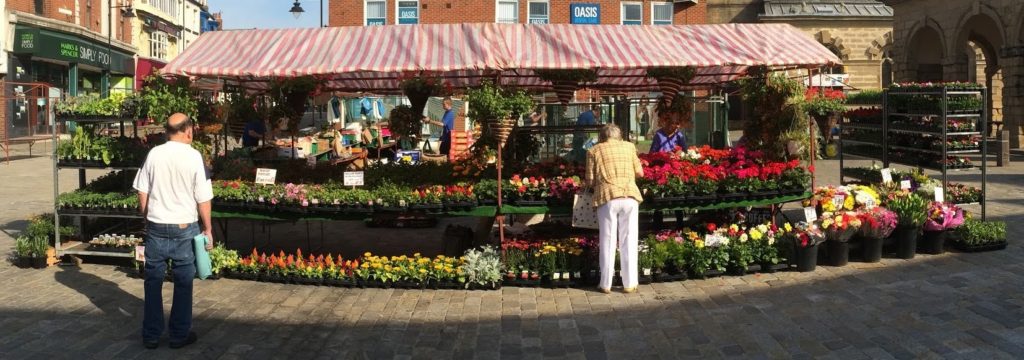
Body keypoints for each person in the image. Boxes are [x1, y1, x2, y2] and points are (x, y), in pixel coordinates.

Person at [133, 113, 213, 350]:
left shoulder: (154, 154)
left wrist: (147, 216)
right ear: (188, 130)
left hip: (156, 227)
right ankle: (179, 335)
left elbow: (141, 190)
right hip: (183, 227)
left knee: (153, 281)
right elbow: (203, 198)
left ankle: (151, 335)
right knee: (183, 282)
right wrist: (208, 228)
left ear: (167, 131)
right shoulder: (194, 156)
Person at [584, 124, 644, 294]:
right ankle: (630, 283)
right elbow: (640, 173)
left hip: (608, 197)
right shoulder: (629, 147)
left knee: (607, 240)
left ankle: (605, 284)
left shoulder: (593, 151)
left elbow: (590, 180)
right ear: (620, 136)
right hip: (630, 196)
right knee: (629, 240)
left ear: (602, 136)